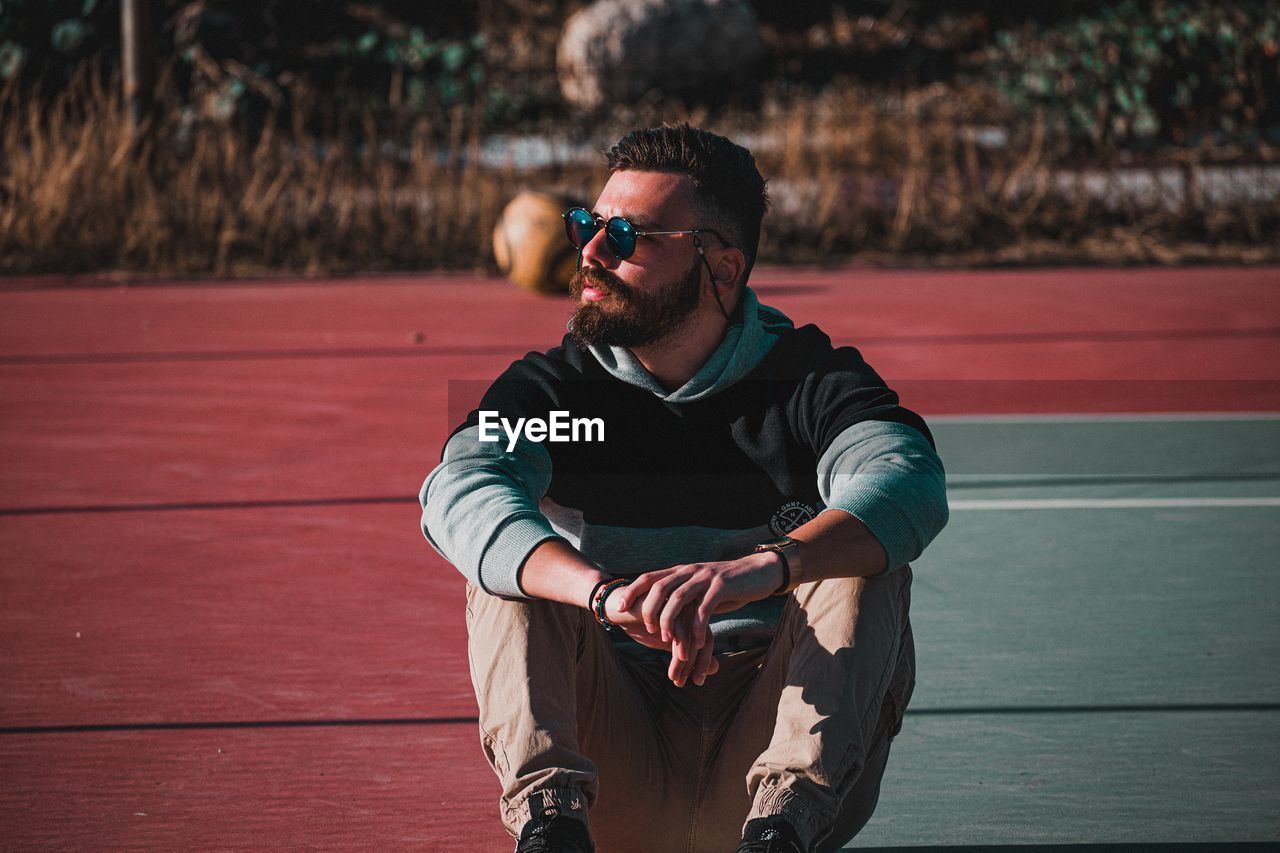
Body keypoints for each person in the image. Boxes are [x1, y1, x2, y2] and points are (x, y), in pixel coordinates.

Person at [419, 124, 948, 853]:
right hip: (615, 767)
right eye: (587, 225)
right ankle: (550, 830)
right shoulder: (561, 395)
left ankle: (778, 832)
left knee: (861, 556)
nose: (591, 252)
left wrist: (763, 567)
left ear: (720, 268)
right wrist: (603, 593)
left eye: (628, 236)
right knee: (513, 565)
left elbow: (909, 481)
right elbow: (460, 488)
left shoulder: (808, 384)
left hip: (767, 757)